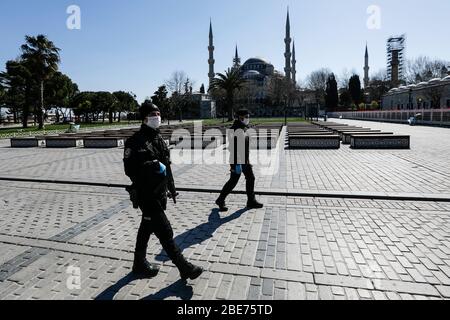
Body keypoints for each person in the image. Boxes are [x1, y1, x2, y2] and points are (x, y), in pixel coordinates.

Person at [123, 100, 203, 280]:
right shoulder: (135, 142)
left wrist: (172, 188)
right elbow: (130, 170)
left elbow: (167, 166)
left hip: (159, 193)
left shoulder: (158, 139)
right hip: (146, 194)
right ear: (143, 119)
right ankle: (184, 267)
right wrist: (151, 166)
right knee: (165, 231)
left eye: (158, 114)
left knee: (147, 226)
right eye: (152, 115)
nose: (157, 117)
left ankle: (139, 263)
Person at [215, 109, 264, 212]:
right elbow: (233, 148)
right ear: (239, 118)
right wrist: (237, 164)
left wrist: (247, 161)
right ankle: (220, 200)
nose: (247, 119)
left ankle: (251, 201)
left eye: (248, 116)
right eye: (245, 117)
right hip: (237, 161)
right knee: (233, 181)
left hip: (244, 161)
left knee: (251, 178)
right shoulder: (235, 129)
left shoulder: (242, 128)